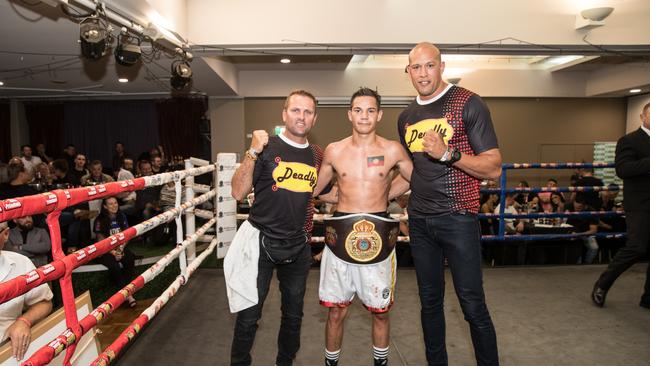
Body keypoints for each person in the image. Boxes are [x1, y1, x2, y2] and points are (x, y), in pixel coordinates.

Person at [395, 42, 501, 366]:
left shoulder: (468, 103)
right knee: (429, 303)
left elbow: (494, 167)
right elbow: (411, 174)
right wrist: (369, 194)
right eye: (416, 67)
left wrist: (448, 153)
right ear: (408, 72)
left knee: (471, 304)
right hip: (421, 222)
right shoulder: (406, 117)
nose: (423, 73)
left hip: (458, 217)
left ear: (442, 66)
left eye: (429, 65)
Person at [311, 88, 412, 366]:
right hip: (340, 237)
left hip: (378, 236)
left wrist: (388, 193)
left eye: (370, 110)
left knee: (380, 312)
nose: (364, 116)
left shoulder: (392, 149)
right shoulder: (334, 149)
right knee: (335, 312)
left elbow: (417, 178)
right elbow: (316, 188)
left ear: (379, 114)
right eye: (358, 110)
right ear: (350, 114)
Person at [224, 90, 323, 366]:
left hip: (298, 245)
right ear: (284, 114)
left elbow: (325, 192)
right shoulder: (266, 148)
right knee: (248, 316)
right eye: (295, 110)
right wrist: (253, 151)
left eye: (307, 112)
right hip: (260, 243)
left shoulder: (317, 154)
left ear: (314, 118)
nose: (301, 116)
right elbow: (237, 192)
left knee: (293, 316)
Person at [592, 103, 650, 309]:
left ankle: (648, 297)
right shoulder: (629, 140)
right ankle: (602, 284)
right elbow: (623, 169)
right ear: (642, 117)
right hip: (640, 204)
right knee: (636, 247)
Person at [0, 221, 53, 361]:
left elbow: (44, 302)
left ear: (5, 234)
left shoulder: (21, 263)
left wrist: (24, 320)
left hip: (9, 350)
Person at [93, 197, 137, 307]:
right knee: (114, 266)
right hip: (105, 250)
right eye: (110, 204)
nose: (114, 206)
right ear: (105, 206)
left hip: (119, 247)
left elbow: (127, 235)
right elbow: (100, 240)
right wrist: (113, 252)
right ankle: (127, 295)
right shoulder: (99, 219)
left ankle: (126, 291)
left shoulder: (122, 216)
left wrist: (120, 249)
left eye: (116, 203)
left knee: (130, 259)